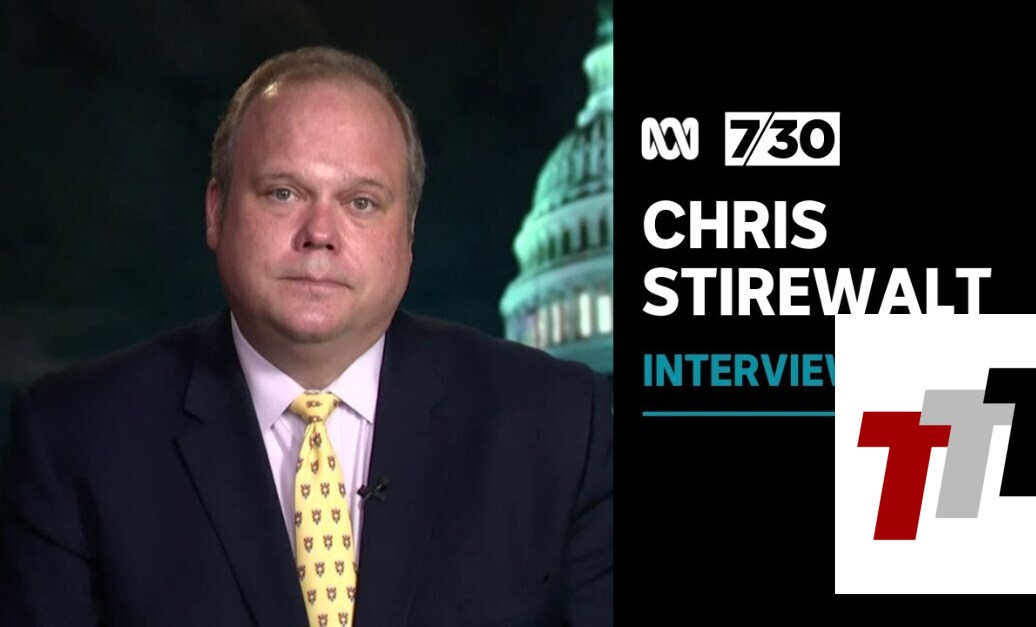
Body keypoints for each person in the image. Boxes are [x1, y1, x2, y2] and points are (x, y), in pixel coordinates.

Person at [0, 46, 613, 627]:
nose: (320, 233)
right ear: (216, 212)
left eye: (362, 202)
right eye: (283, 193)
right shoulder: (74, 442)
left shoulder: (562, 427)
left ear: (409, 233)